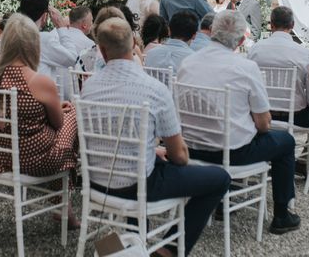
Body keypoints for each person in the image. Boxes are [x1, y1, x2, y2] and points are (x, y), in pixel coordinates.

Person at [81, 17, 230, 256]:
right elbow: (180, 157)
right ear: (134, 46)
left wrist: (152, 152)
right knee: (219, 178)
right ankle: (169, 249)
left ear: (102, 50)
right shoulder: (153, 89)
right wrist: (167, 153)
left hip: (97, 182)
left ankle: (132, 244)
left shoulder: (88, 87)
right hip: (137, 185)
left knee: (149, 164)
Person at [177, 11, 301, 234]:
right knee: (285, 142)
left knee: (238, 132)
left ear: (212, 32)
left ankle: (225, 202)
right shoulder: (245, 68)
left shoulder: (187, 63)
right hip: (231, 153)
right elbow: (263, 124)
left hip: (191, 150)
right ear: (242, 40)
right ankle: (282, 215)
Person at [0, 13, 80, 228]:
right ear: (33, 44)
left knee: (55, 128)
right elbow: (58, 124)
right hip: (32, 159)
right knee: (72, 115)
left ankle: (65, 208)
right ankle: (67, 200)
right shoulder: (40, 81)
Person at [19, 0, 78, 98]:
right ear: (44, 16)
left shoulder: (13, 36)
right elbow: (73, 59)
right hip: (41, 101)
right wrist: (61, 27)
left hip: (19, 99)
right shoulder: (43, 39)